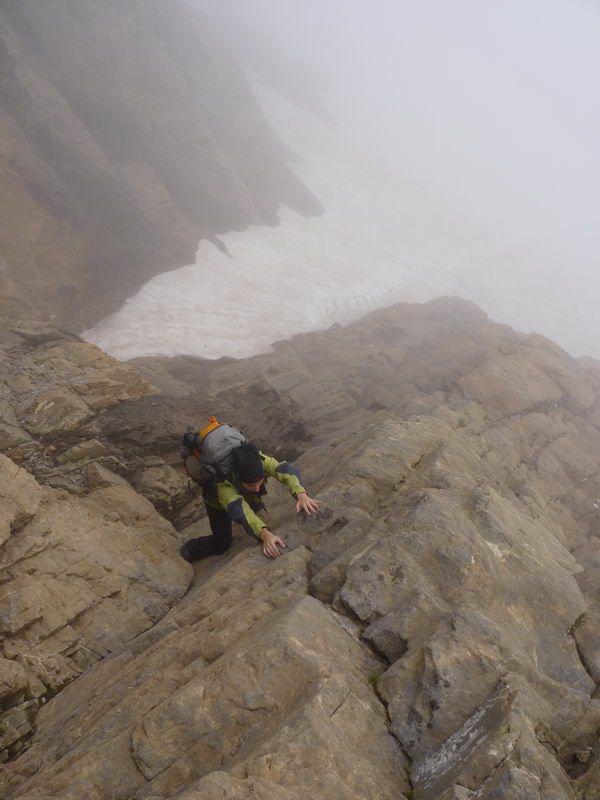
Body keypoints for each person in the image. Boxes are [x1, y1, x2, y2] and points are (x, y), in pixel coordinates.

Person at [180, 442, 320, 561]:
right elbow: (240, 511)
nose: (257, 488)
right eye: (252, 485)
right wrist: (265, 535)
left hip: (242, 490)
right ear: (239, 480)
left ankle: (254, 503)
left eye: (260, 482)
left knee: (261, 518)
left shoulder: (258, 460)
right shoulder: (224, 487)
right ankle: (190, 549)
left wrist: (301, 493)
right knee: (222, 544)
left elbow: (285, 470)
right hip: (216, 501)